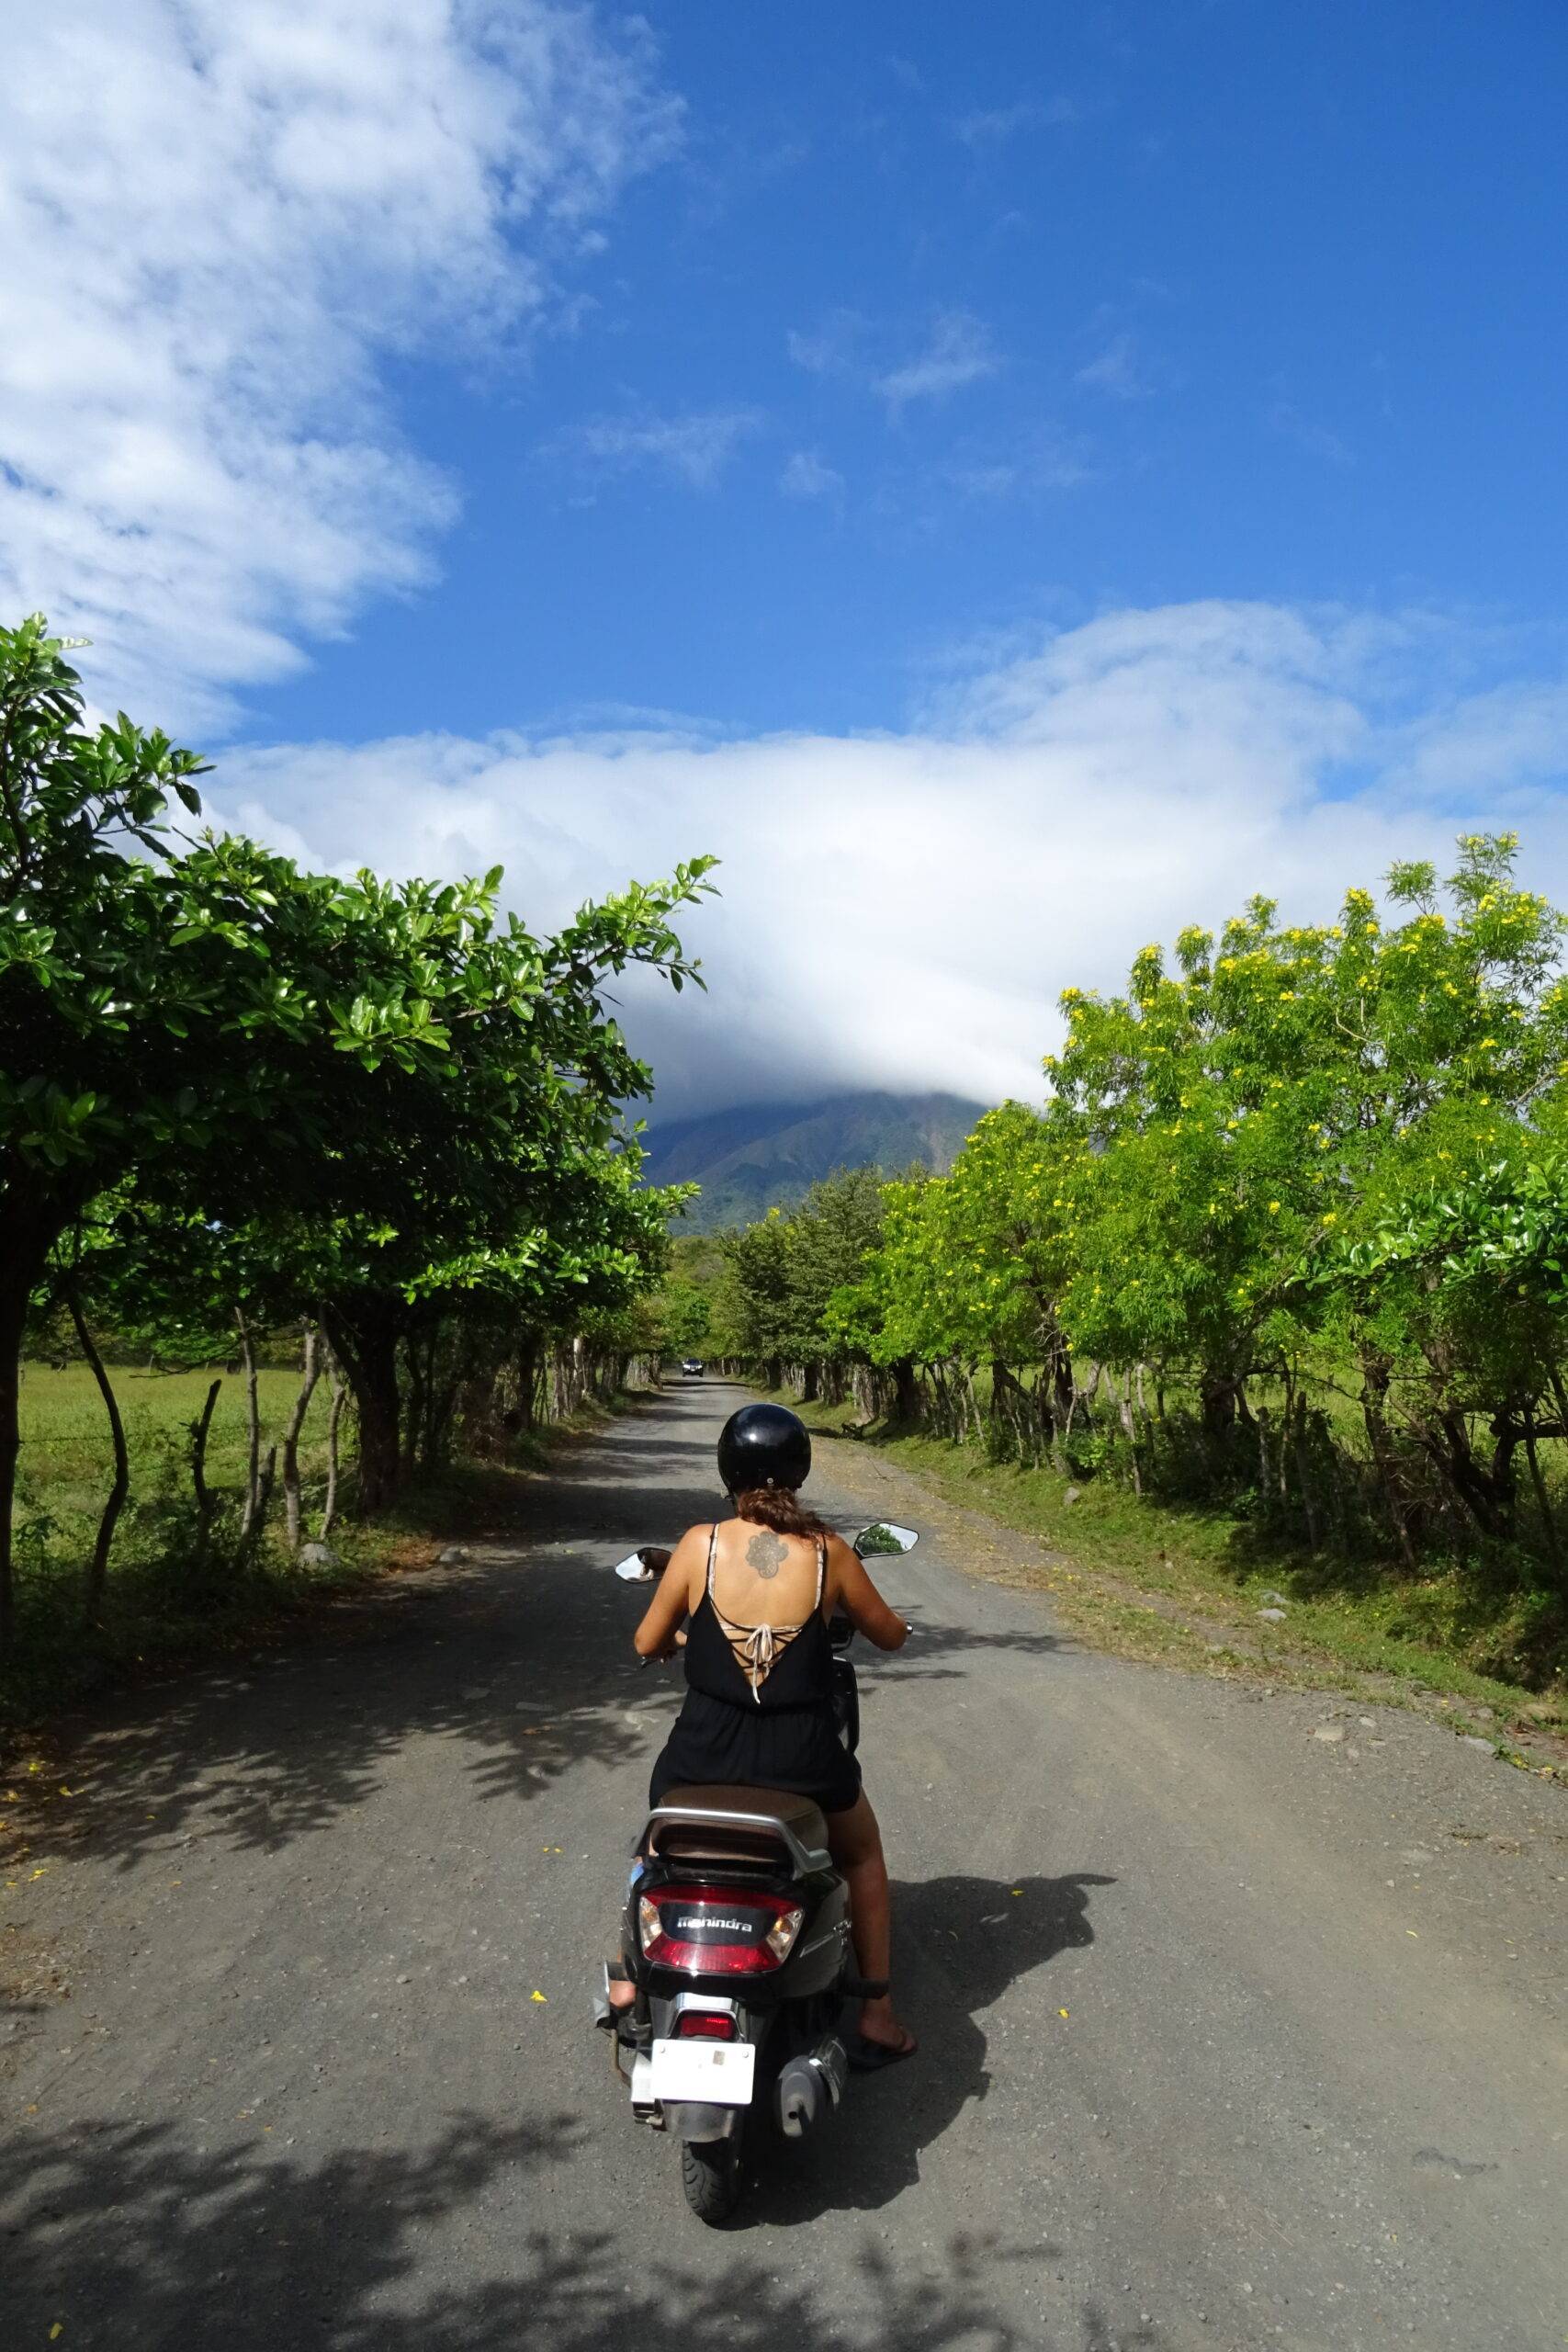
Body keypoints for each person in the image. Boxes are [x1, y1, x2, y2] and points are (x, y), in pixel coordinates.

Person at [610, 1402, 916, 2066]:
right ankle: (878, 2011)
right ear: (799, 1470)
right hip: (802, 1756)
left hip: (701, 1752)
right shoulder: (830, 1551)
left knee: (656, 1847)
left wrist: (683, 1643)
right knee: (861, 1855)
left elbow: (646, 1640)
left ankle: (628, 1980)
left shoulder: (698, 1545)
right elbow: (889, 1634)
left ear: (727, 1469)